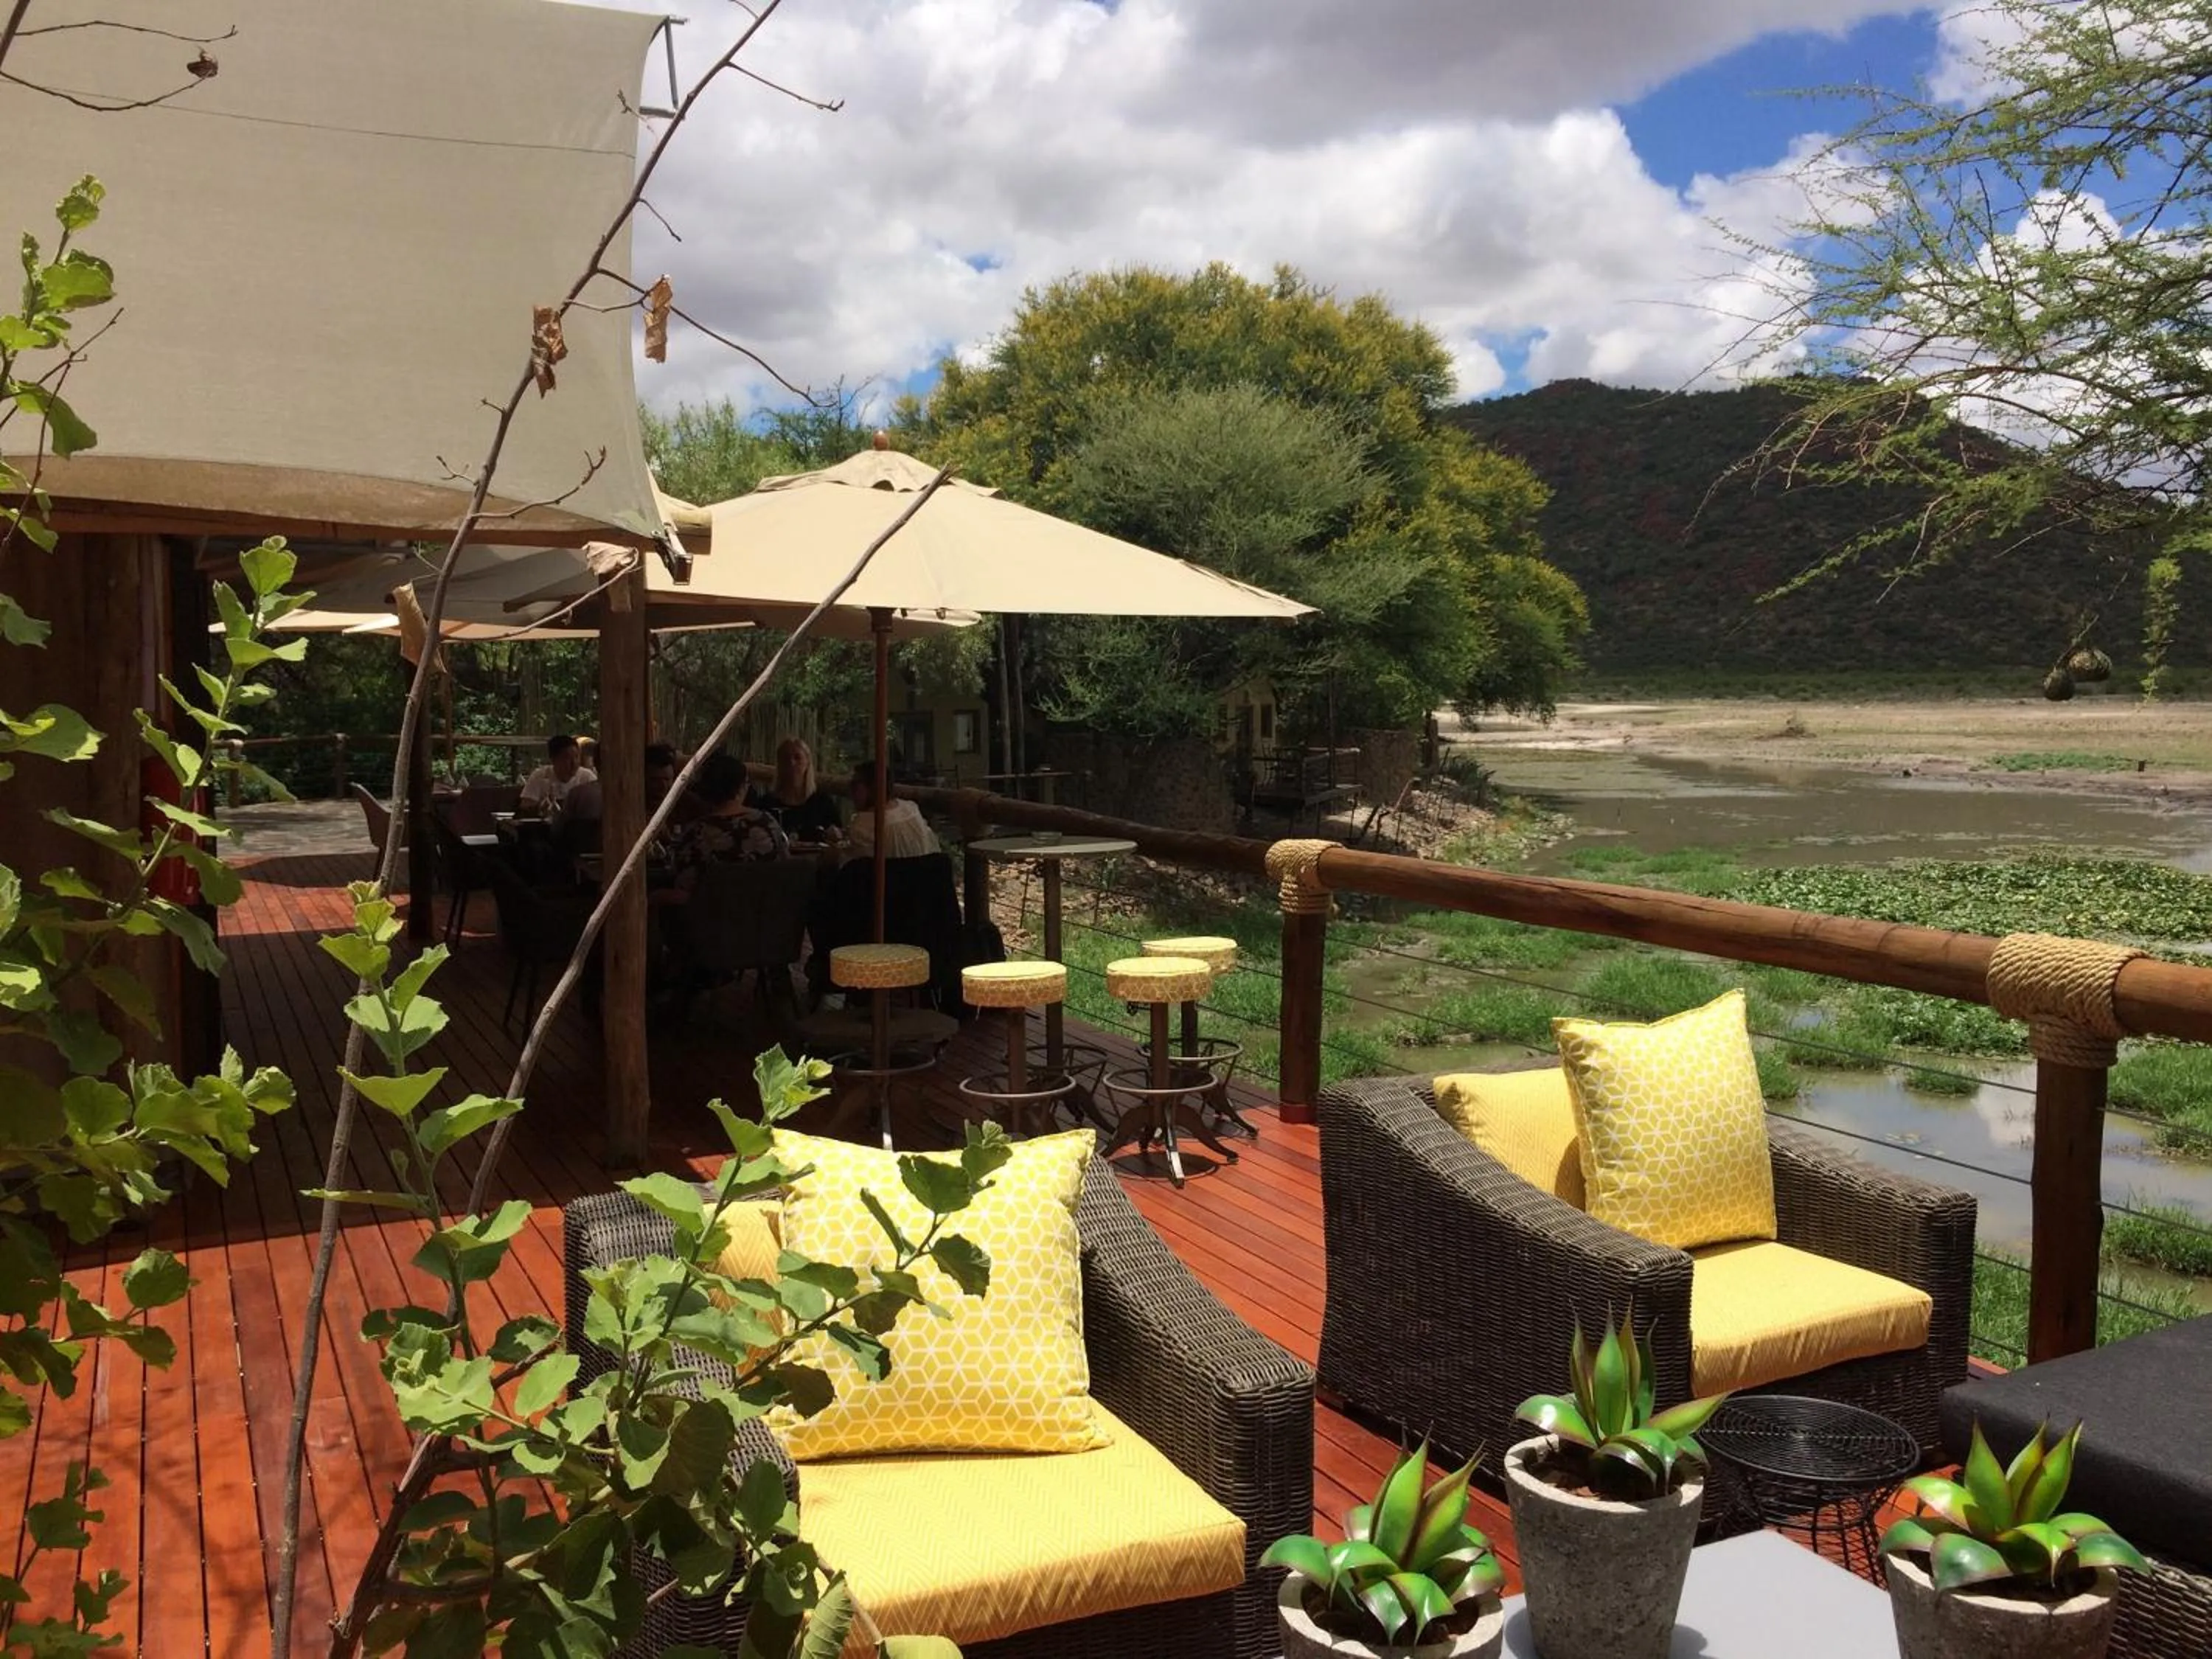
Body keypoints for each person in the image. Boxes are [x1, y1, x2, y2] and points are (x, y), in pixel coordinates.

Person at [664, 751, 788, 871]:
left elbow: (682, 878)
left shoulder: (695, 834)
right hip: (764, 892)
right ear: (742, 787)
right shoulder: (768, 825)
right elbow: (785, 867)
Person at [748, 737, 842, 843]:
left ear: (807, 763)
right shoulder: (766, 805)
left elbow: (838, 837)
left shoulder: (823, 803)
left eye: (797, 758)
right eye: (786, 758)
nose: (792, 763)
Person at [846, 766, 939, 859]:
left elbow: (854, 866)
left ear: (872, 788)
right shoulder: (911, 809)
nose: (851, 792)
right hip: (924, 872)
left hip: (890, 873)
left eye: (855, 785)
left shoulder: (862, 826)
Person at [519, 733, 594, 815]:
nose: (574, 763)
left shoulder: (587, 777)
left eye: (576, 757)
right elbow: (526, 806)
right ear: (553, 759)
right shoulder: (540, 776)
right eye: (567, 758)